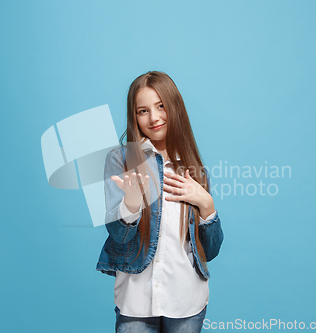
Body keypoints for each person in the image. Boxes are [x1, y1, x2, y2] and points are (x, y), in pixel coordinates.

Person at [96, 71, 224, 333]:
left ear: (174, 108)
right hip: (136, 301)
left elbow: (209, 252)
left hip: (187, 301)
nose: (153, 118)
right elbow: (118, 235)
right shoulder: (121, 160)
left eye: (161, 106)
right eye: (143, 111)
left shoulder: (194, 169)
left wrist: (207, 206)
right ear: (134, 117)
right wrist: (131, 203)